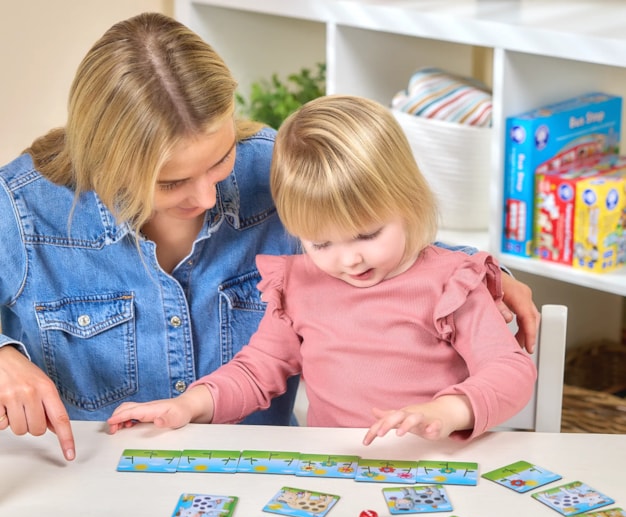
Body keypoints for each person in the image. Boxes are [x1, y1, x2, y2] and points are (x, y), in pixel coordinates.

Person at [0, 14, 537, 461]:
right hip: (92, 480)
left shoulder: (278, 170)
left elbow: (387, 227)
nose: (208, 198)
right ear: (106, 163)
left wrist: (487, 276)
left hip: (285, 476)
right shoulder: (21, 208)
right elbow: (260, 367)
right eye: (170, 182)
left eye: (220, 159)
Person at [108, 95, 537, 444]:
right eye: (322, 243)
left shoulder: (452, 283)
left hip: (440, 465)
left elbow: (511, 371)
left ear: (409, 202)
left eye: (368, 234)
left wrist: (448, 410)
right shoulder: (299, 286)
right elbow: (256, 371)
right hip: (336, 470)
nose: (349, 259)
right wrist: (190, 405)